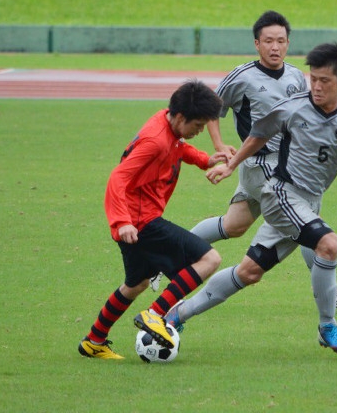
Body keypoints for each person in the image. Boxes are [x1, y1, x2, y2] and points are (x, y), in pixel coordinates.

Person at [164, 43, 337, 353]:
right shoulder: (293, 106)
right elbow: (258, 134)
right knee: (328, 245)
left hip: (308, 203)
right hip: (281, 195)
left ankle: (175, 314)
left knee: (249, 272)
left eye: (324, 81)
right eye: (312, 78)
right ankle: (328, 326)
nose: (315, 86)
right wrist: (231, 164)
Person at [152, 10, 337, 310]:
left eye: (280, 41)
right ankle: (334, 292)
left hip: (285, 160)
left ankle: (168, 257)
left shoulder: (295, 76)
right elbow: (213, 109)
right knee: (306, 219)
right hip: (262, 163)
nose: (274, 47)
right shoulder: (243, 77)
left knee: (234, 225)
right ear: (257, 44)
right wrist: (220, 145)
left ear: (288, 43)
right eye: (268, 41)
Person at [78, 80, 228, 360]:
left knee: (136, 284)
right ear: (181, 117)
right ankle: (155, 313)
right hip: (140, 222)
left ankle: (94, 341)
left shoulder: (166, 121)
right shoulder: (155, 140)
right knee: (209, 260)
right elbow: (118, 177)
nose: (199, 132)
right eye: (197, 126)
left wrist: (206, 160)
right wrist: (121, 221)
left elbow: (178, 148)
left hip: (138, 221)